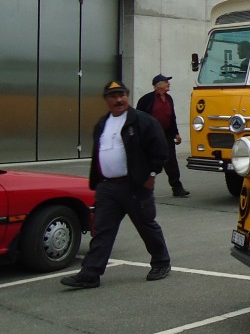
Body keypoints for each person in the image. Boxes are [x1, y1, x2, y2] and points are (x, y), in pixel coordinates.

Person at [61, 80, 173, 288]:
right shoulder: (102, 124)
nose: (118, 99)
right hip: (108, 188)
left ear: (127, 96)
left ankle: (161, 262)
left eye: (122, 94)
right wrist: (98, 182)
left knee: (146, 225)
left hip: (135, 187)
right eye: (113, 96)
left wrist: (151, 175)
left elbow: (160, 149)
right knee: (102, 230)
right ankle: (90, 274)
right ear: (106, 100)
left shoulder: (141, 121)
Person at [136, 74, 189, 197]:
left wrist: (176, 133)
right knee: (148, 162)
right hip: (150, 136)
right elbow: (139, 118)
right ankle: (144, 188)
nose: (168, 84)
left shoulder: (169, 98)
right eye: (166, 82)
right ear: (158, 85)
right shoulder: (146, 99)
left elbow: (172, 117)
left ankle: (177, 187)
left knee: (171, 161)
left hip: (166, 134)